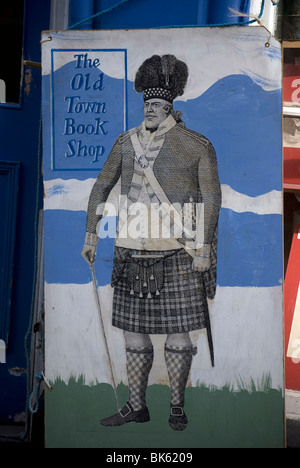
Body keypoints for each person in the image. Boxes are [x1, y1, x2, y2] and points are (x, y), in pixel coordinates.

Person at [81, 54, 221, 431]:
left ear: (171, 108)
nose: (151, 110)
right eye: (148, 104)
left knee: (179, 332)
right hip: (129, 249)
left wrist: (204, 248)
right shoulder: (125, 143)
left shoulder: (196, 144)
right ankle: (136, 406)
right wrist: (91, 233)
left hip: (179, 251)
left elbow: (212, 198)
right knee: (133, 332)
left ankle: (177, 406)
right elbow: (100, 186)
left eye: (158, 105)